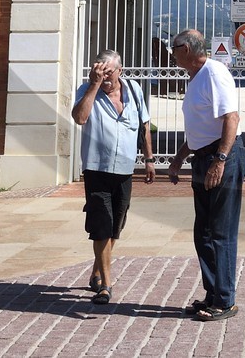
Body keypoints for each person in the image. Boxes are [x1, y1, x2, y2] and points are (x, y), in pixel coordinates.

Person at [166, 28, 245, 323]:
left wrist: (220, 161)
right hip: (203, 158)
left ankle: (225, 301)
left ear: (186, 49)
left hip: (220, 158)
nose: (170, 53)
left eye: (173, 48)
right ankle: (213, 293)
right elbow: (201, 129)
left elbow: (231, 118)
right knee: (204, 233)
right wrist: (178, 159)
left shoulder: (214, 73)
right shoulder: (196, 77)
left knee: (221, 233)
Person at [71, 48, 155, 305]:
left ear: (120, 70)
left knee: (115, 226)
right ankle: (106, 284)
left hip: (125, 168)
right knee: (101, 226)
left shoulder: (134, 91)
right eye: (100, 73)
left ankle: (97, 271)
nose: (105, 78)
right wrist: (94, 85)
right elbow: (80, 117)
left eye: (109, 73)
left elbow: (144, 125)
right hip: (97, 169)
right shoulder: (87, 91)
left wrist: (149, 159)